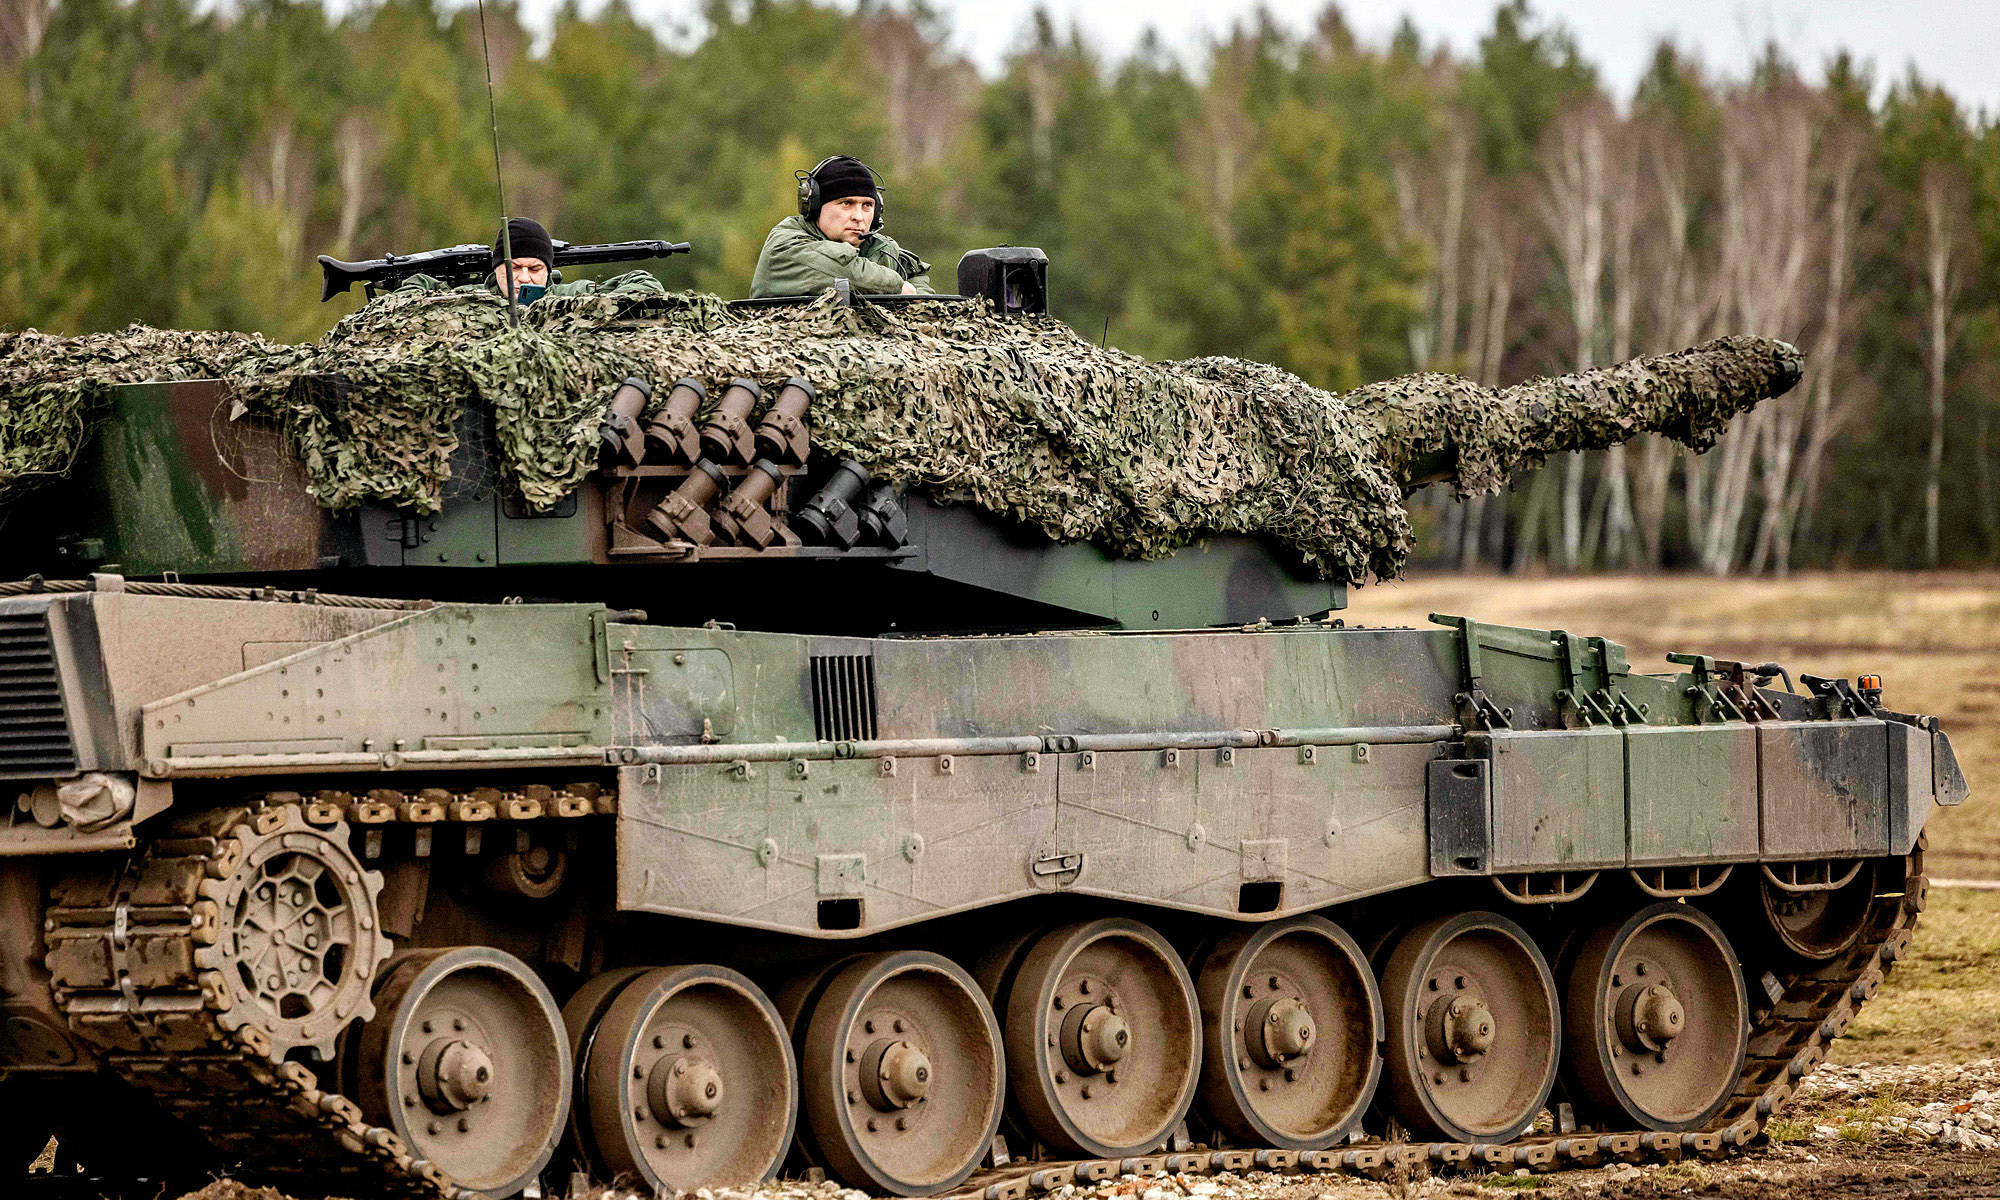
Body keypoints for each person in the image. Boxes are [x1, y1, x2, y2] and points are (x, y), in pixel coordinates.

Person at [750, 156, 933, 298]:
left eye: (867, 205)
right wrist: (899, 287)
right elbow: (844, 270)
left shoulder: (879, 247)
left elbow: (916, 274)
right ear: (814, 206)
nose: (858, 217)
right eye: (846, 203)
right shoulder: (785, 245)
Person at [398, 217, 666, 301]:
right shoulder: (468, 297)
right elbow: (412, 289)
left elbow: (645, 284)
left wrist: (584, 312)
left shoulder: (571, 295)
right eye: (514, 268)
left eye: (535, 268)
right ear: (496, 269)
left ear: (548, 270)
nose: (524, 277)